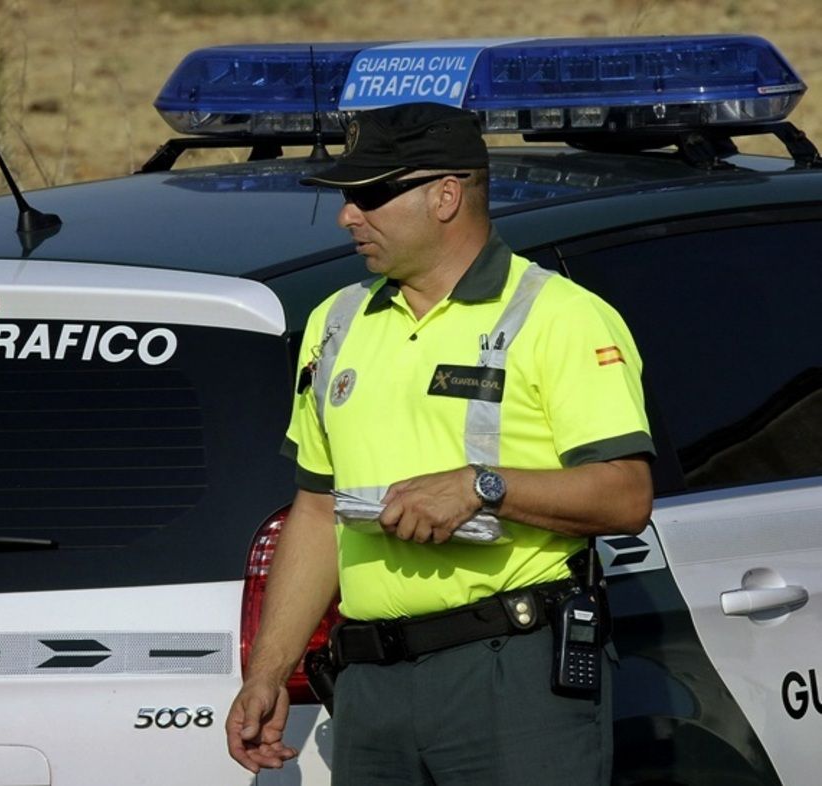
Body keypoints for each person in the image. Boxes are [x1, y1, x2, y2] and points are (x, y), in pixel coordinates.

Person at [224, 102, 655, 786]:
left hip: (509, 673)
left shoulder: (560, 317)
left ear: (446, 195)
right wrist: (267, 673)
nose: (347, 216)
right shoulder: (335, 324)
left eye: (368, 196)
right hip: (369, 688)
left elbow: (627, 495)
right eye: (346, 198)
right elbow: (315, 509)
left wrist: (483, 486)